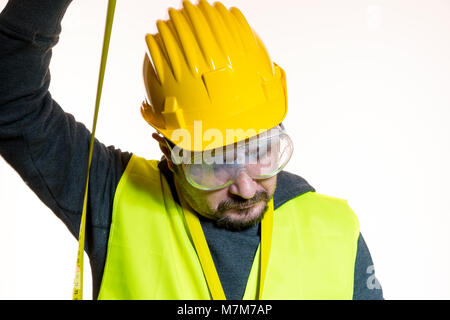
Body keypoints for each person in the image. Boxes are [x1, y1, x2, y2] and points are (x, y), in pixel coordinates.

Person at [0, 0, 383, 300]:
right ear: (169, 152)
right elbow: (10, 98)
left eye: (262, 151)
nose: (247, 188)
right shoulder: (113, 196)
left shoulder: (336, 232)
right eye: (216, 163)